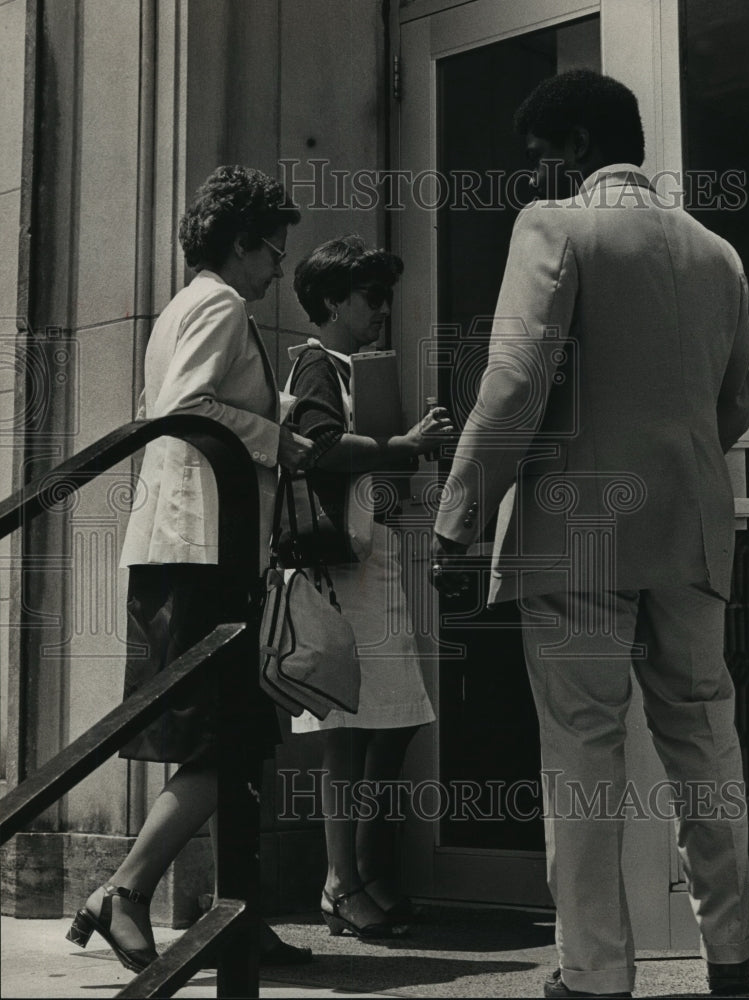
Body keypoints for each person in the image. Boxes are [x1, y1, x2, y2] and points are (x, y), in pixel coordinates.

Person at [431, 70, 749, 998]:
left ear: (573, 148)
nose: (536, 178)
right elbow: (738, 402)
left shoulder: (556, 229)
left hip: (576, 535)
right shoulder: (719, 254)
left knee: (582, 752)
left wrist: (458, 518)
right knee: (706, 743)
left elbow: (515, 388)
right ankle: (732, 959)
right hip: (691, 535)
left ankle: (597, 973)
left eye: (541, 159)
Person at [66, 165, 314, 972]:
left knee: (227, 735)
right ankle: (125, 891)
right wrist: (284, 439)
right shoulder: (217, 303)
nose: (280, 269)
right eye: (273, 252)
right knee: (229, 739)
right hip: (199, 548)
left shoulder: (186, 307)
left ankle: (230, 909)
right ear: (240, 246)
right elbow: (187, 406)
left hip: (187, 544)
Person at [288, 235, 453, 939]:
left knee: (383, 722)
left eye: (385, 296)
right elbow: (320, 448)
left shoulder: (349, 368)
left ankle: (356, 874)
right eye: (369, 296)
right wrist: (401, 447)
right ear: (332, 302)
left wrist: (403, 451)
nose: (382, 309)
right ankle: (342, 882)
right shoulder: (316, 365)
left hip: (367, 560)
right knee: (351, 734)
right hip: (345, 572)